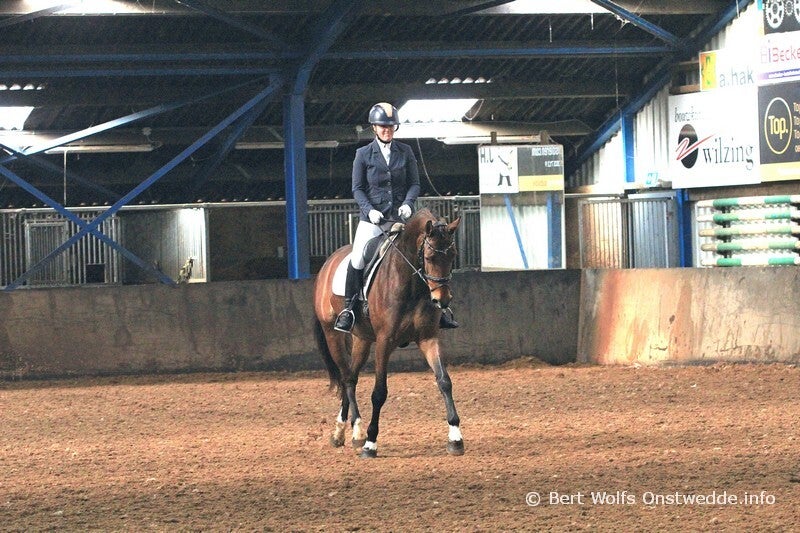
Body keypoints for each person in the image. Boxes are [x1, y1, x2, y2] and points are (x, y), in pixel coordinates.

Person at [334, 102, 459, 333]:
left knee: (424, 255)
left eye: (391, 126)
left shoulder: (406, 151)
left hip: (401, 219)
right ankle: (349, 310)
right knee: (358, 258)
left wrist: (408, 204)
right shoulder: (363, 154)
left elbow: (414, 184)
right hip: (373, 220)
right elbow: (357, 188)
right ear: (374, 128)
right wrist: (369, 209)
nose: (387, 130)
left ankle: (438, 310)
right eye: (383, 126)